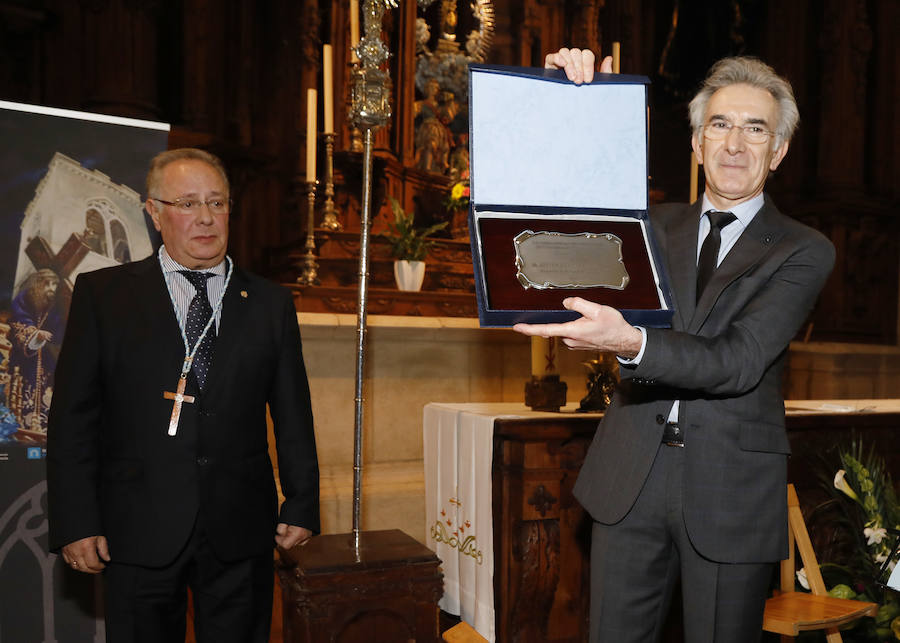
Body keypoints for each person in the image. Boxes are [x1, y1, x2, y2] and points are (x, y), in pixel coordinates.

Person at [514, 49, 835, 642]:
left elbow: (738, 360)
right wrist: (576, 101)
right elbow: (565, 204)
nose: (734, 144)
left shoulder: (803, 249)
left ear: (778, 151)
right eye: (720, 124)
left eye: (755, 129)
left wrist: (631, 342)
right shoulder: (648, 227)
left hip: (730, 488)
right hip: (629, 476)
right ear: (696, 141)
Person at [47, 148, 319, 643]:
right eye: (188, 203)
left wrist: (302, 501)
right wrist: (75, 521)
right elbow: (72, 420)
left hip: (240, 526)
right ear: (154, 213)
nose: (206, 217)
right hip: (136, 527)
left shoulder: (269, 303)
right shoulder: (104, 296)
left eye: (217, 202)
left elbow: (293, 412)